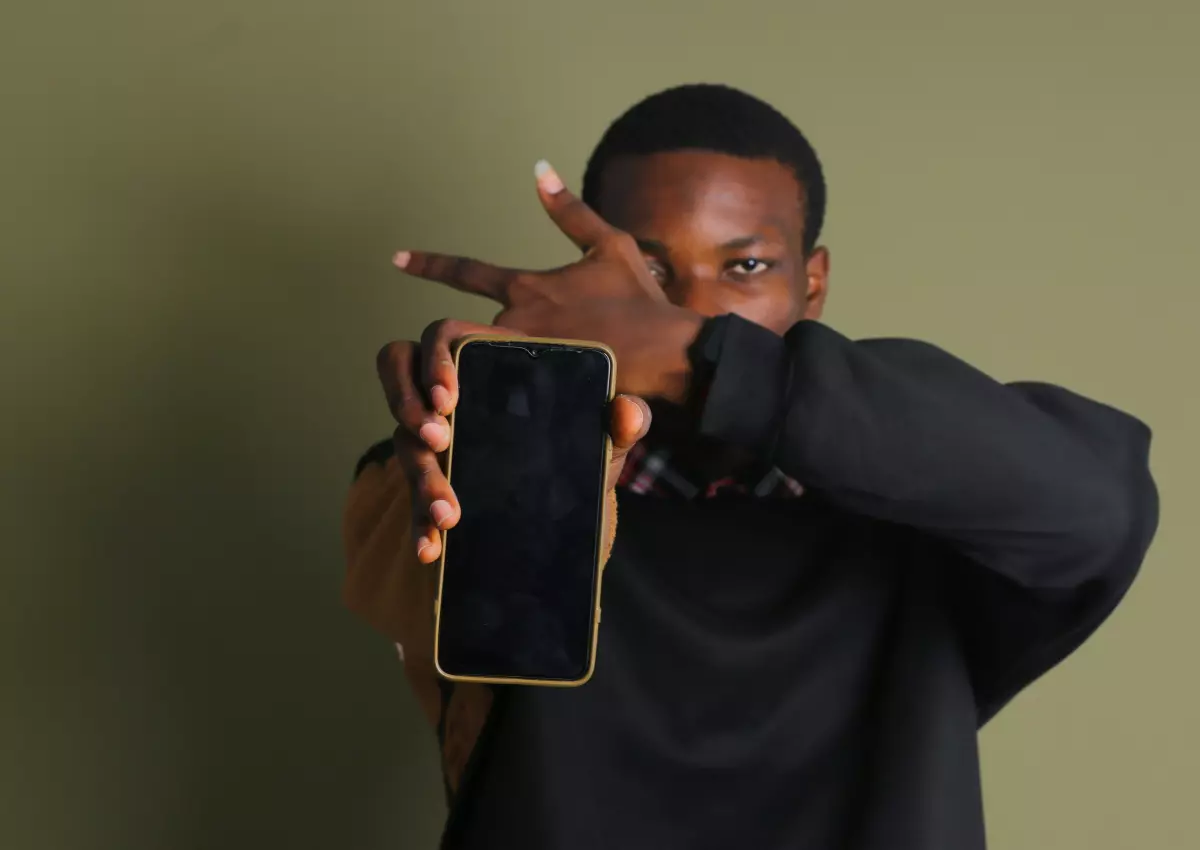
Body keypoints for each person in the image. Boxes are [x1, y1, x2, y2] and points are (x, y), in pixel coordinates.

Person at [342, 84, 1158, 850]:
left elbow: (1100, 506)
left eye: (745, 267)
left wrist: (699, 362)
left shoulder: (935, 513)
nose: (689, 308)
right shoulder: (477, 467)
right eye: (650, 273)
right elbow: (417, 590)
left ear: (814, 283)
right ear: (593, 286)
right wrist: (477, 449)